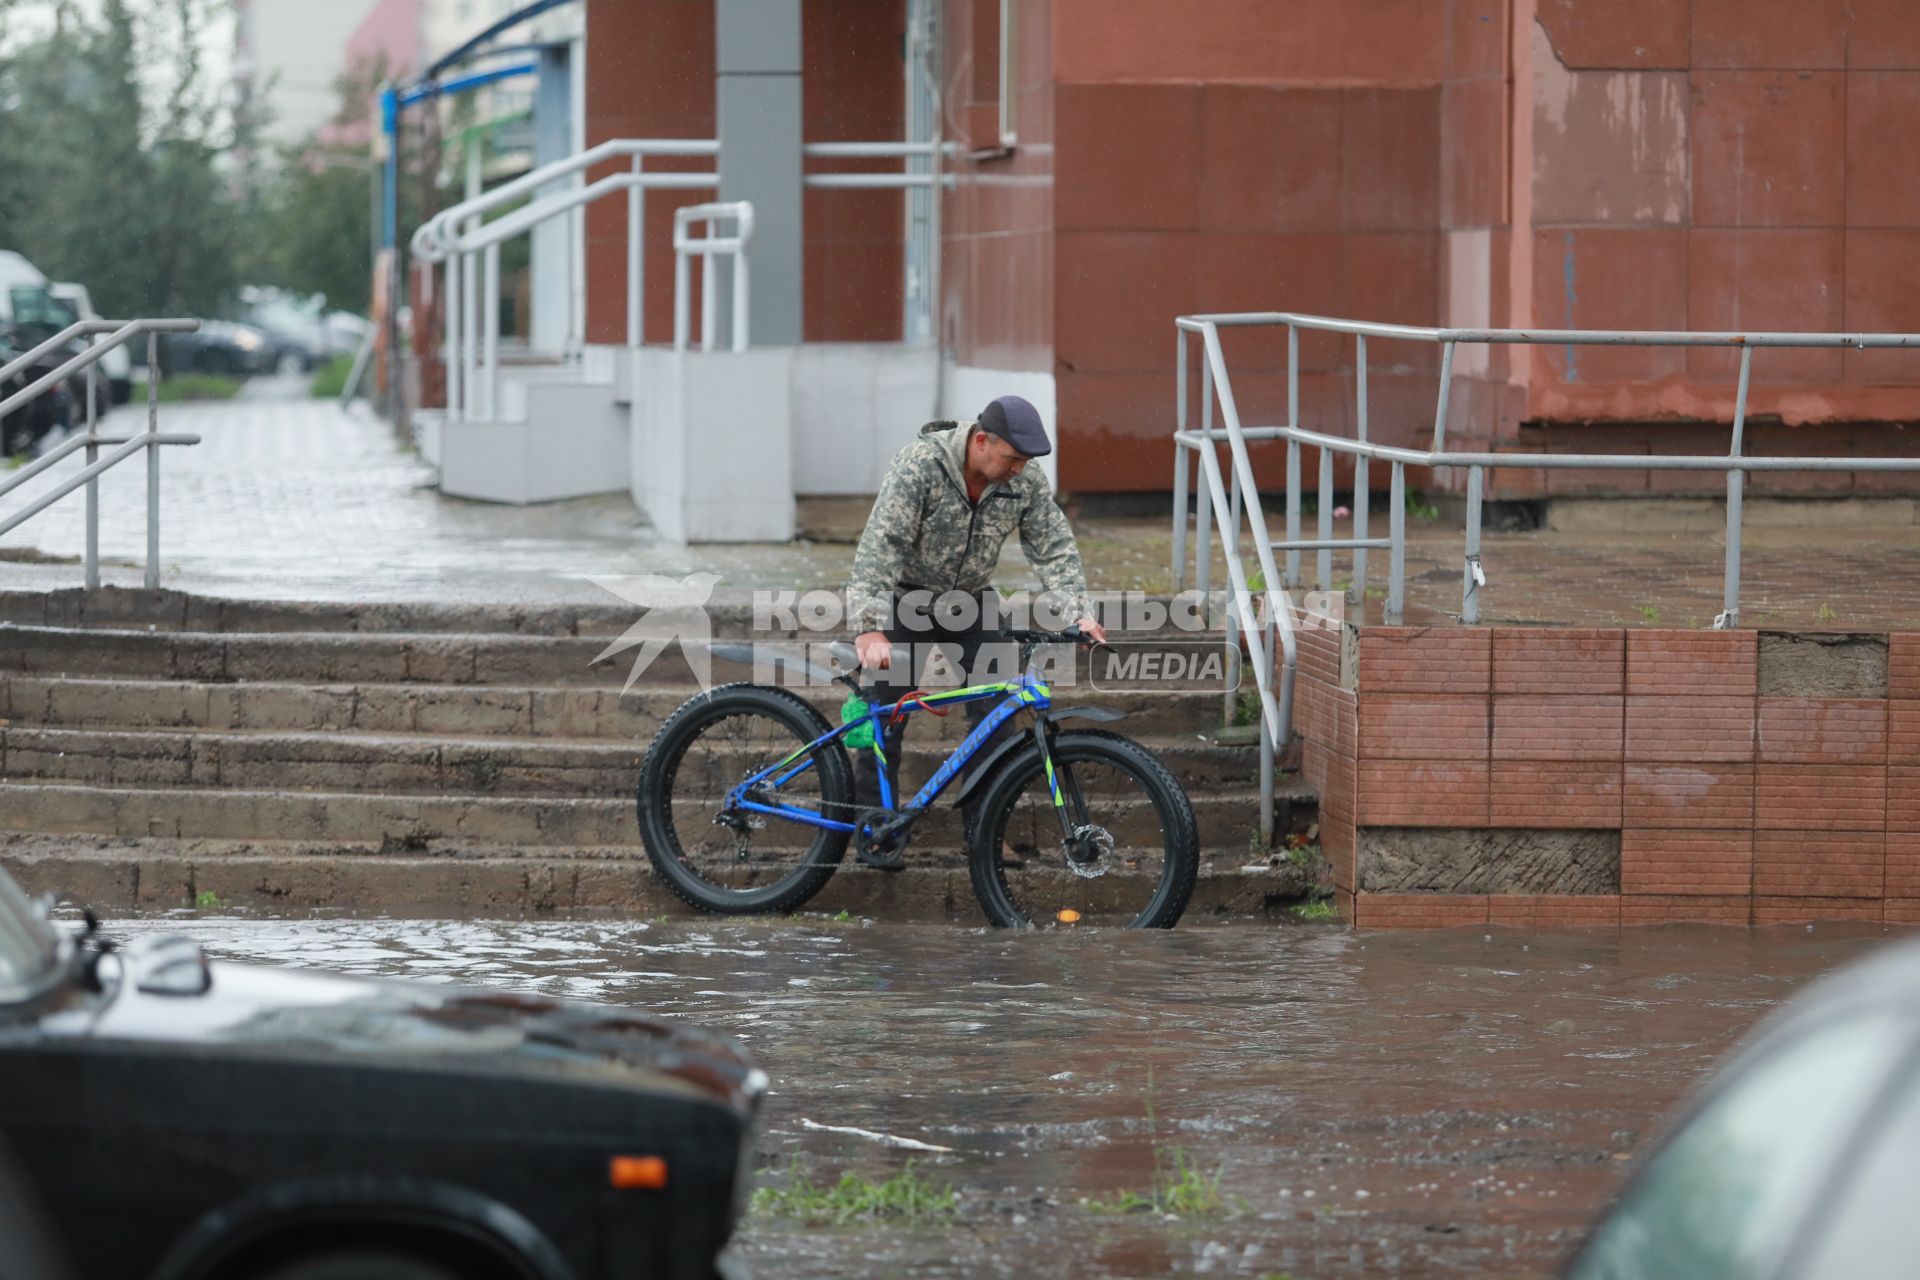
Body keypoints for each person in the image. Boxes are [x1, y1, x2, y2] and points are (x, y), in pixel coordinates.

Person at [843, 395, 1107, 869]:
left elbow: (1053, 547)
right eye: (1011, 459)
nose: (1018, 470)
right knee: (883, 713)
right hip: (907, 599)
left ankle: (984, 831)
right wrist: (867, 627)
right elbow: (882, 542)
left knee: (997, 714)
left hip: (972, 601)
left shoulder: (1021, 480)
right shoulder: (920, 466)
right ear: (981, 441)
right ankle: (874, 825)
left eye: (1025, 462)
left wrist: (1078, 614)